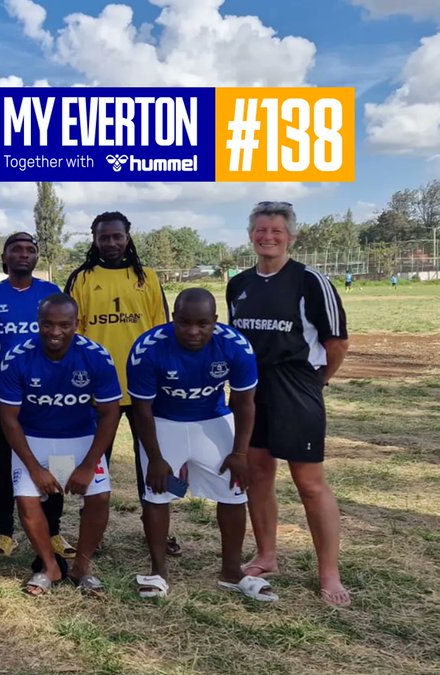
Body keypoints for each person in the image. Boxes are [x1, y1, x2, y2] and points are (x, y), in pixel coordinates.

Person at [227, 200, 351, 606]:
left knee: (309, 483)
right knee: (257, 474)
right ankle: (266, 556)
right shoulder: (238, 283)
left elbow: (337, 342)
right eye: (261, 230)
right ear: (251, 236)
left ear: (291, 237)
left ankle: (328, 573)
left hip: (296, 386)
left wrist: (318, 383)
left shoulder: (310, 280)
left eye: (276, 231)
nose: (268, 237)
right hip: (251, 389)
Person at [128, 289, 276, 601]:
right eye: (184, 323)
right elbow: (141, 410)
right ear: (173, 319)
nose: (193, 331)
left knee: (235, 493)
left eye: (203, 324)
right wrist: (154, 457)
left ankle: (232, 571)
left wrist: (240, 452)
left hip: (213, 419)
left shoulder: (235, 346)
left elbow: (245, 403)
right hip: (164, 421)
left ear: (215, 322)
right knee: (157, 493)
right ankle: (158, 571)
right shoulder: (147, 348)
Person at [65, 211, 176, 559]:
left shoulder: (148, 278)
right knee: (96, 463)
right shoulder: (81, 278)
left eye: (117, 236)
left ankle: (160, 531)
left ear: (128, 237)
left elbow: (163, 331)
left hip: (144, 389)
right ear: (94, 239)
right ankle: (92, 534)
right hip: (98, 390)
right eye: (103, 237)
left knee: (155, 460)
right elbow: (71, 334)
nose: (111, 243)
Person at [0, 294, 121, 596]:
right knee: (26, 499)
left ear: (76, 324)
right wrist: (34, 468)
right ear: (38, 324)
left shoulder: (96, 356)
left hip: (80, 437)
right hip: (33, 436)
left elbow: (109, 413)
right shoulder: (18, 356)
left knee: (100, 497)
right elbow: (9, 420)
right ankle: (50, 567)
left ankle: (82, 567)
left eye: (64, 325)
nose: (55, 332)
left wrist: (89, 464)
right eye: (48, 325)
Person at [0, 232, 61, 558]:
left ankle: (53, 530)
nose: (23, 254)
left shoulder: (51, 293)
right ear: (5, 257)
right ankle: (5, 531)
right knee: (4, 460)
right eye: (16, 249)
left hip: (46, 395)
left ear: (37, 256)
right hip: (4, 394)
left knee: (53, 460)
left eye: (30, 249)